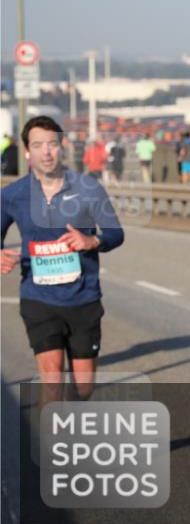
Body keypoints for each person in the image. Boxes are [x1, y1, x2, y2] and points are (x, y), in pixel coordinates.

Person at [1, 116, 125, 405]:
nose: (46, 152)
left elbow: (115, 233)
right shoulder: (12, 195)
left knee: (83, 389)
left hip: (84, 298)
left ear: (62, 147)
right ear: (27, 152)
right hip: (38, 298)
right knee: (52, 380)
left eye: (52, 144)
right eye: (38, 145)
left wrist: (93, 241)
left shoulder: (89, 188)